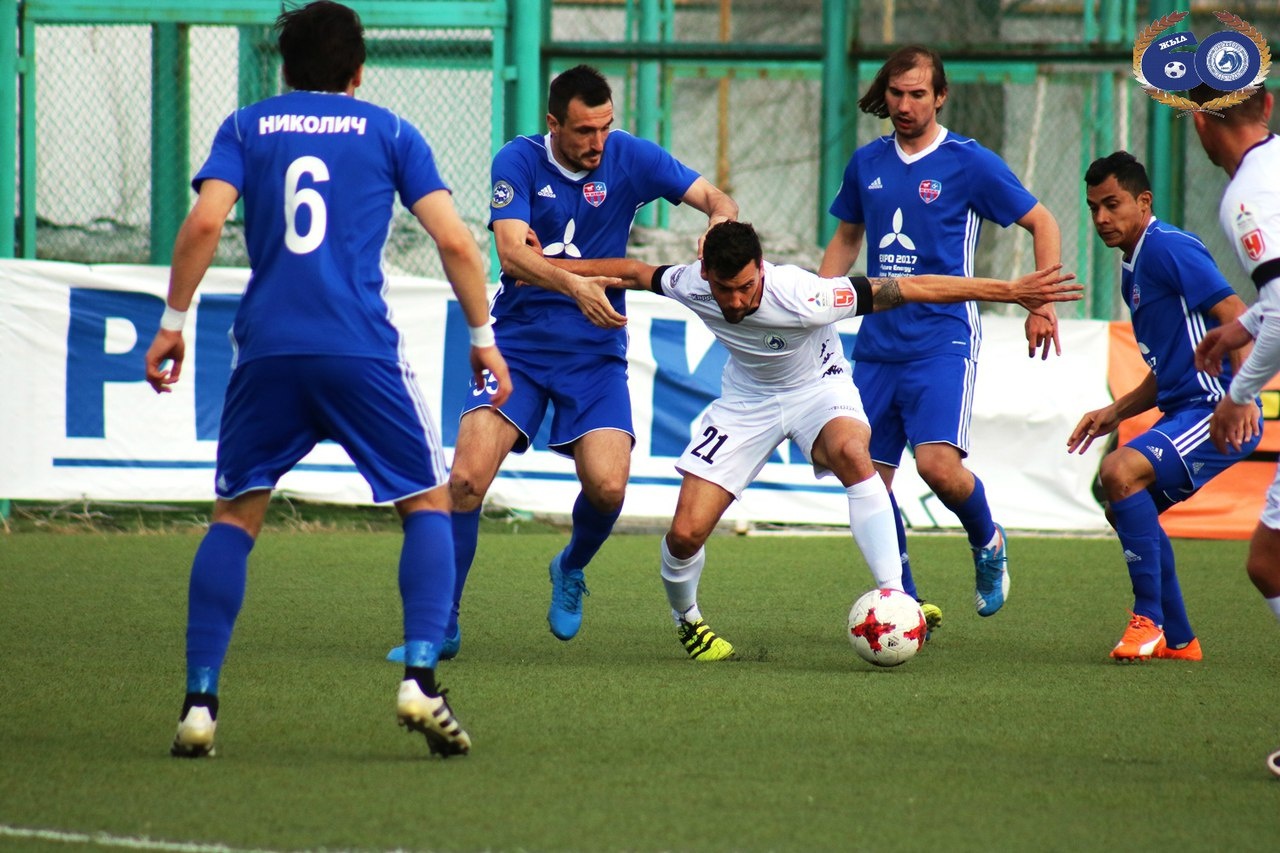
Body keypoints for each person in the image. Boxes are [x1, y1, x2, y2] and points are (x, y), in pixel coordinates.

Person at [144, 1, 511, 759]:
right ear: (358, 71)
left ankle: (200, 703)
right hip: (358, 349)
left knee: (234, 515)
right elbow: (455, 241)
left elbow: (205, 223)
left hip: (268, 351)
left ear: (284, 69)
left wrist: (173, 321)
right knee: (427, 502)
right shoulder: (391, 131)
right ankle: (420, 677)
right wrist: (483, 338)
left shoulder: (246, 126)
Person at [545, 220, 1080, 659]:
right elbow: (633, 271)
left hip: (819, 389)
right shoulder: (692, 283)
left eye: (747, 286)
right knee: (684, 535)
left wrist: (1010, 292)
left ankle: (895, 597)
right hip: (745, 403)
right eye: (725, 289)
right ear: (706, 274)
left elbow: (911, 287)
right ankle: (687, 620)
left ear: (762, 269)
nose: (736, 300)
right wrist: (548, 271)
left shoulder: (806, 295)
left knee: (852, 451)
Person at [388, 64, 737, 663]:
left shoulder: (630, 155)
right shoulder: (518, 160)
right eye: (583, 131)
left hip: (595, 354)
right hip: (518, 346)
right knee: (465, 480)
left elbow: (714, 196)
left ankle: (570, 565)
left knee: (608, 487)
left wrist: (720, 221)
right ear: (553, 124)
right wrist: (577, 285)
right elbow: (510, 254)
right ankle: (441, 623)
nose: (598, 142)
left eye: (605, 127)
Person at [818, 44, 1063, 631]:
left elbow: (1042, 220)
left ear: (940, 97)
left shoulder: (969, 162)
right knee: (868, 481)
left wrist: (1042, 302)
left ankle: (988, 540)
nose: (905, 105)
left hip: (942, 340)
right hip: (877, 345)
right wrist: (816, 306)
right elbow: (848, 237)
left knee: (938, 468)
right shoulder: (867, 162)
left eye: (917, 94)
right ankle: (905, 599)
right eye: (896, 94)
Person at [1070, 151, 1257, 662]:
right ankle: (1178, 640)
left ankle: (1148, 621)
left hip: (1215, 407)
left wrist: (1240, 397)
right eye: (1093, 207)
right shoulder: (1133, 265)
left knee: (1119, 470)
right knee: (1126, 508)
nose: (1101, 217)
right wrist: (1115, 411)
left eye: (1112, 204)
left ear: (1144, 201)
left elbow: (1237, 314)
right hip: (1186, 409)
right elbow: (1171, 364)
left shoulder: (1168, 247)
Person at [1188, 82, 1280, 779]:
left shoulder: (1246, 195)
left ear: (1199, 123)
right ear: (1268, 106)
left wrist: (1238, 396)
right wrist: (1243, 324)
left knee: (1269, 564)